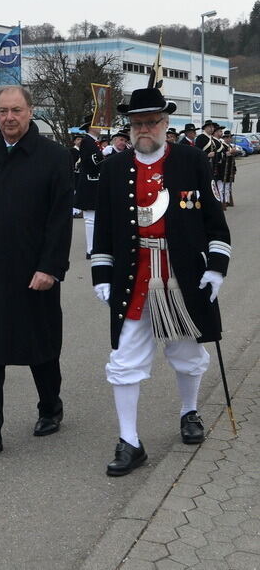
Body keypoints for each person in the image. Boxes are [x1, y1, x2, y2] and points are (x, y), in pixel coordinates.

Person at [92, 84, 231, 476]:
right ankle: (130, 441)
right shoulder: (114, 167)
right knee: (124, 359)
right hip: (135, 277)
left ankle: (189, 413)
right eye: (137, 123)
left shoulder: (190, 160)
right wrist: (101, 273)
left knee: (187, 354)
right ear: (130, 126)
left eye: (152, 122)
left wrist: (215, 267)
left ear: (165, 122)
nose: (144, 129)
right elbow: (102, 228)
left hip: (181, 274)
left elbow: (214, 221)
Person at [0, 86, 73, 462]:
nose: (10, 117)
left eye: (17, 110)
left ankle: (50, 407)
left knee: (40, 347)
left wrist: (50, 268)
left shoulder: (54, 157)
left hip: (33, 271)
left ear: (30, 111)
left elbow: (60, 221)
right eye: (3, 111)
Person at [74, 118, 105, 259]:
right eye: (97, 125)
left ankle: (93, 247)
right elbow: (90, 161)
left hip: (93, 182)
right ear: (90, 127)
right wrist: (103, 153)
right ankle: (90, 249)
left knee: (93, 217)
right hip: (89, 183)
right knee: (90, 219)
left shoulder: (93, 141)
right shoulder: (87, 141)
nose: (100, 127)